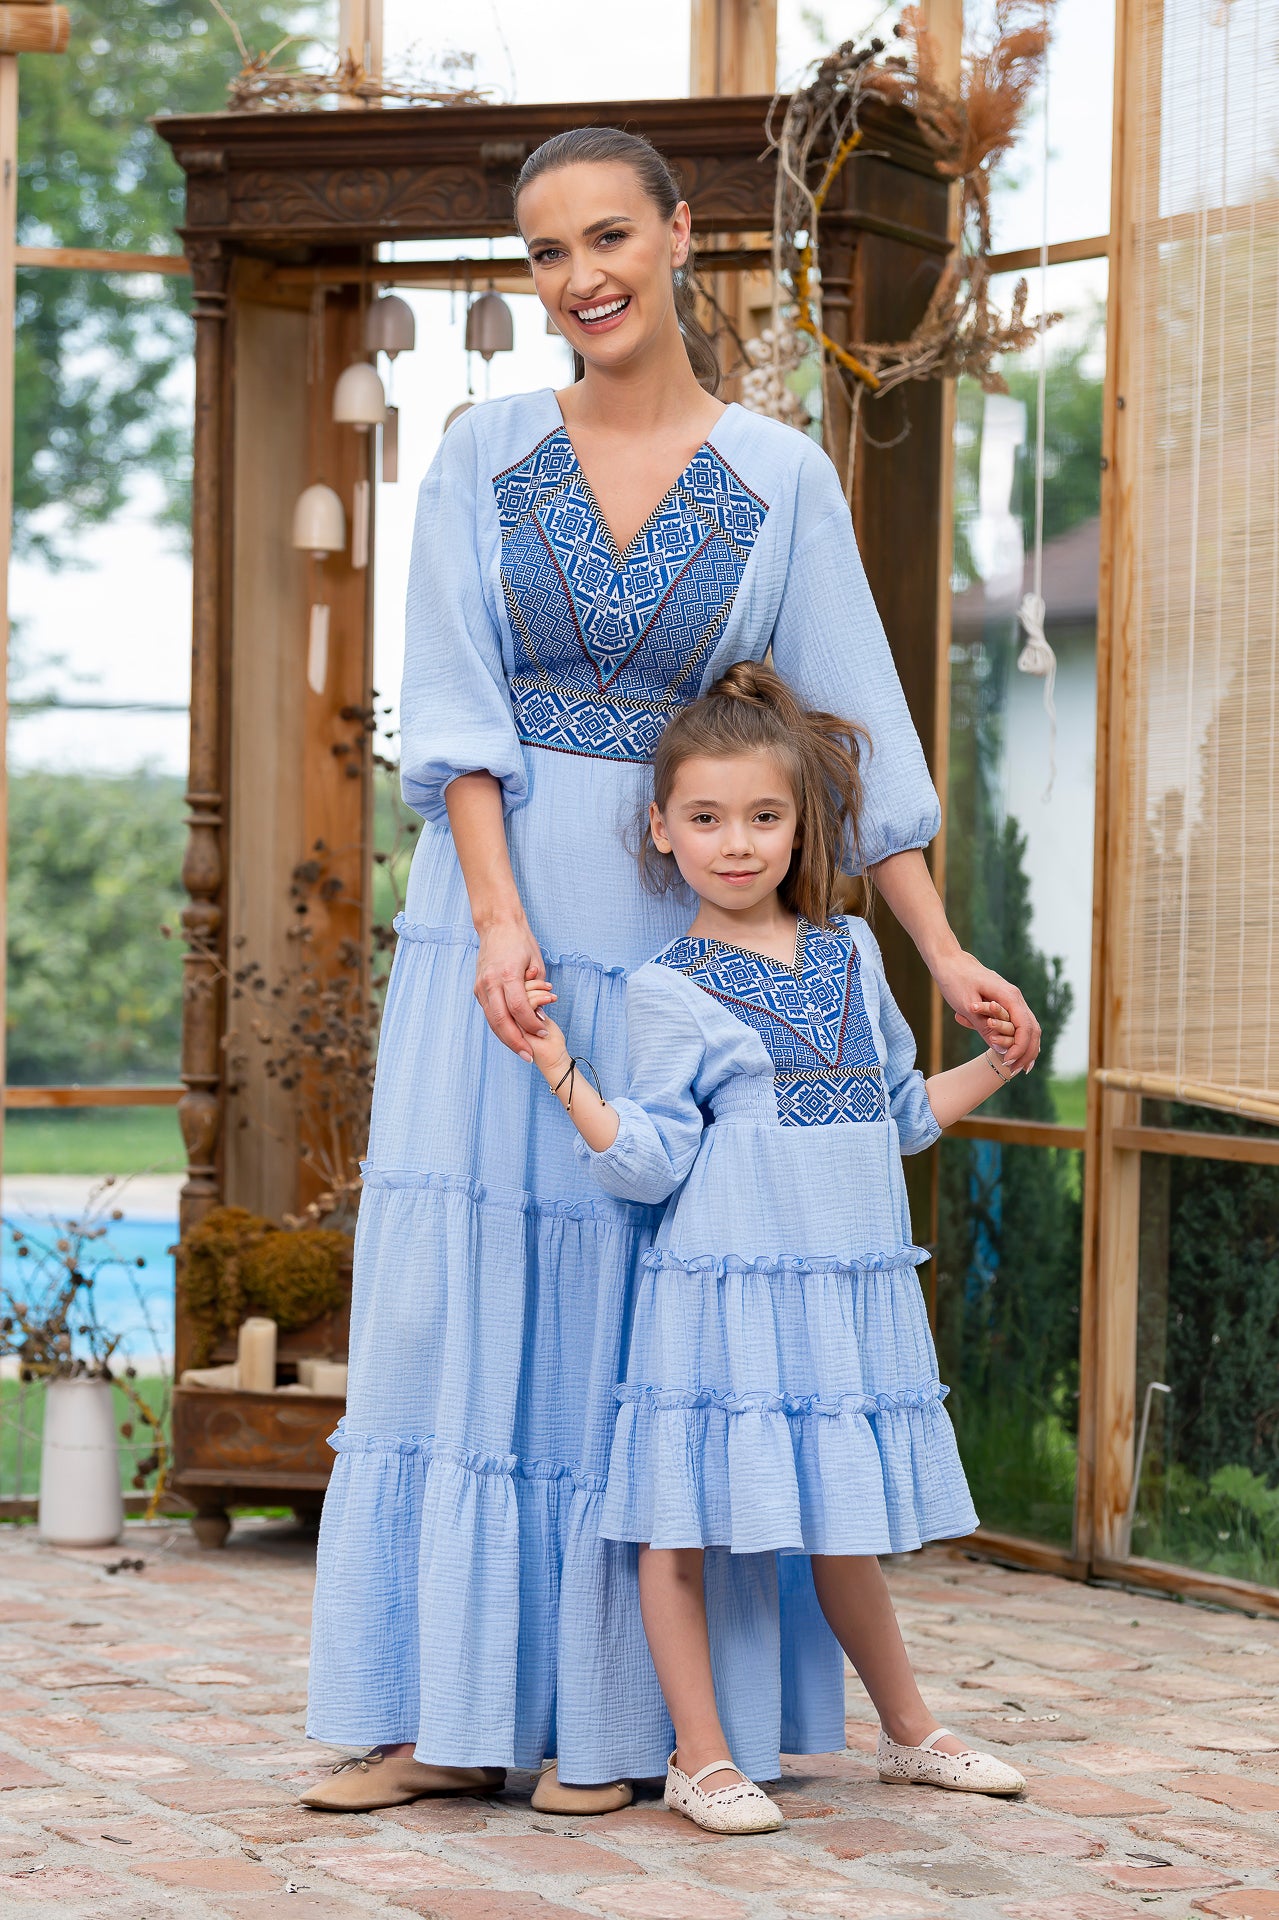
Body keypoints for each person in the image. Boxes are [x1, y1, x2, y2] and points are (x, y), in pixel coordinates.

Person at [303, 123, 1040, 1816]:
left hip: (676, 943)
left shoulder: (779, 476)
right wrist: (498, 921)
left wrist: (938, 950)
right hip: (493, 926)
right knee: (465, 1299)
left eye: (608, 237)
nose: (581, 278)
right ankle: (446, 1723)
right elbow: (456, 715)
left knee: (641, 1314)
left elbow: (851, 735)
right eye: (546, 253)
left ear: (680, 235)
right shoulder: (480, 451)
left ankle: (617, 1729)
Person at [522, 663, 1027, 1832]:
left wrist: (998, 1063)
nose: (737, 844)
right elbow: (649, 1158)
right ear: (662, 828)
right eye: (705, 819)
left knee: (838, 1516)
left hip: (835, 1296)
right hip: (720, 1296)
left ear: (799, 825)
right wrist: (557, 1066)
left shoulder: (852, 952)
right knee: (679, 1523)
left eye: (762, 816)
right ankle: (700, 1758)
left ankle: (909, 1732)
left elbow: (898, 1116)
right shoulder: (666, 989)